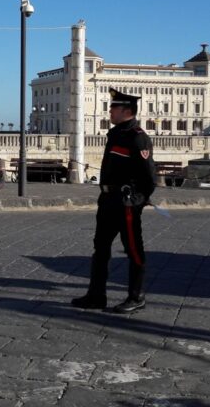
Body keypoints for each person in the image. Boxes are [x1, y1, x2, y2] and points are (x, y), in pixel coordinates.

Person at [72, 88, 155, 314]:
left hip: (125, 203)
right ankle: (96, 295)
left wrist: (136, 201)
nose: (110, 111)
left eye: (113, 107)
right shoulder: (116, 134)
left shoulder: (138, 138)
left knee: (133, 250)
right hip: (107, 200)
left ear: (126, 110)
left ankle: (136, 296)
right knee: (100, 248)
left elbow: (149, 178)